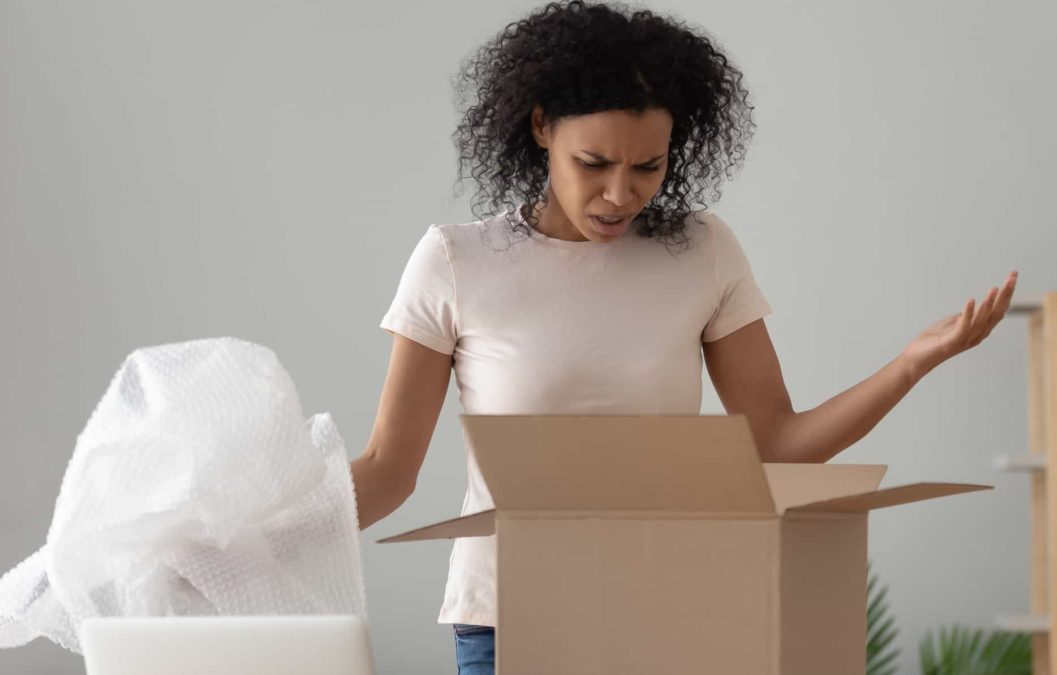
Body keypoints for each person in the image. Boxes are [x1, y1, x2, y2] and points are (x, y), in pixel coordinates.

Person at [349, 2, 1017, 673]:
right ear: (541, 127)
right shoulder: (457, 262)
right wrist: (267, 536)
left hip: (664, 610)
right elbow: (387, 471)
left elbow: (776, 441)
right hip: (509, 617)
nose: (620, 194)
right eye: (594, 163)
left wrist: (911, 364)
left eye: (648, 166)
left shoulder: (702, 252)